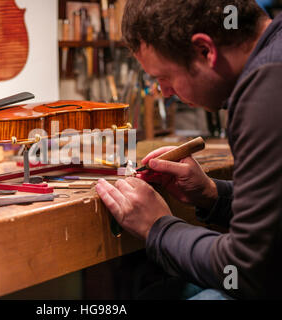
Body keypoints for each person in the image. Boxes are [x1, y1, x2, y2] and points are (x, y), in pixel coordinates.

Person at [95, 0, 282, 299]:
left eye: (164, 78)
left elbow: (247, 270)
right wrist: (211, 194)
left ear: (204, 51)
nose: (166, 93)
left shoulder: (267, 90)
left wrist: (157, 227)